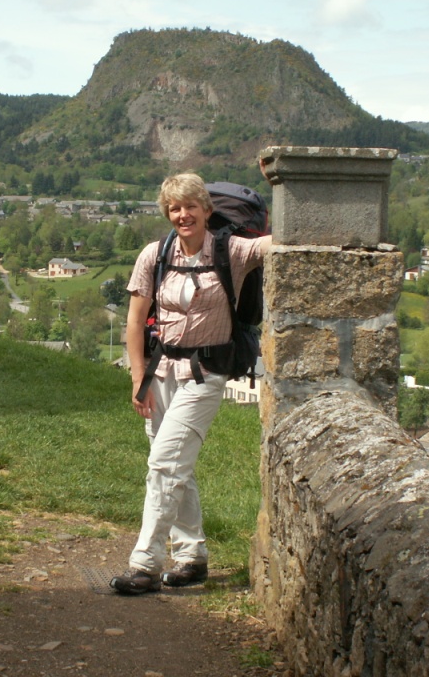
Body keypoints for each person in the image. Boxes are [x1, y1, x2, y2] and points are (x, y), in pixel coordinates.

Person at [111, 170, 271, 595]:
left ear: (207, 209)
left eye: (191, 207)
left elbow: (274, 246)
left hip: (206, 375)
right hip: (161, 372)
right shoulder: (155, 254)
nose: (183, 215)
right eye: (175, 208)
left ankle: (144, 564)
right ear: (168, 212)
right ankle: (192, 558)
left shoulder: (231, 251)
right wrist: (137, 374)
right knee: (176, 465)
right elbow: (133, 317)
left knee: (164, 463)